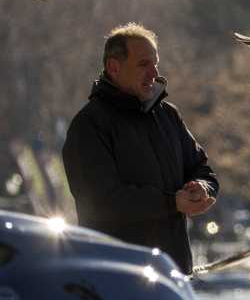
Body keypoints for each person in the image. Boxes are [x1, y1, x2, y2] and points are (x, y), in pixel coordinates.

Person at [62, 22, 219, 274]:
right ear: (114, 67)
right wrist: (172, 203)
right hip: (118, 280)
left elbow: (201, 168)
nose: (154, 73)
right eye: (144, 64)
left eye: (155, 63)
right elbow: (101, 202)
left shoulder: (168, 115)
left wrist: (201, 188)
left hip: (173, 277)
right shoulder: (88, 125)